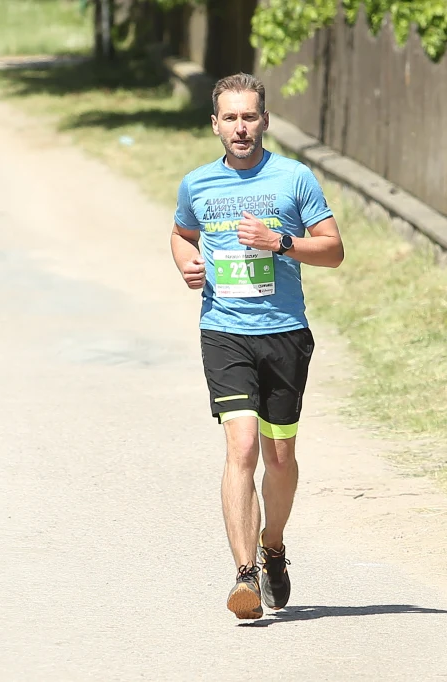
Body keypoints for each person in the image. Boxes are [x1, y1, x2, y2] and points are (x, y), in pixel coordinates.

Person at [170, 73, 344, 619]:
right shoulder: (197, 185)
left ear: (264, 120)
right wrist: (185, 263)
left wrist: (283, 242)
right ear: (215, 124)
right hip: (224, 332)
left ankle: (273, 545)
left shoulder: (294, 179)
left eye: (250, 117)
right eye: (231, 118)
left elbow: (334, 250)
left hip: (285, 333)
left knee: (280, 455)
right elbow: (181, 233)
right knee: (241, 447)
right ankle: (244, 574)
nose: (240, 128)